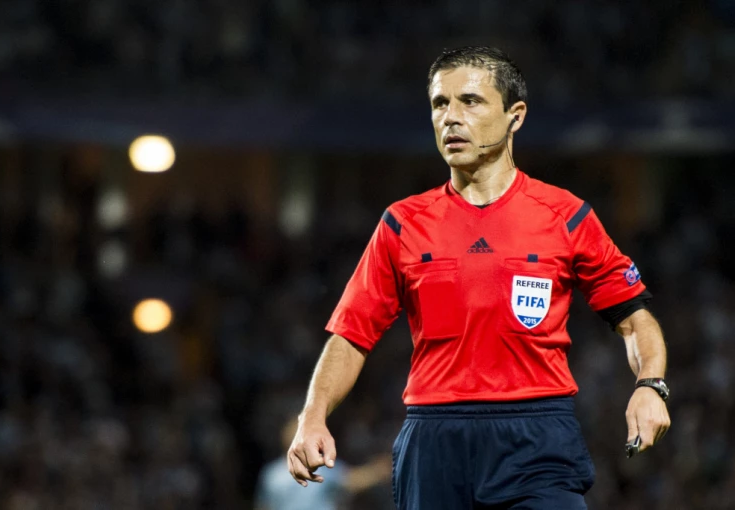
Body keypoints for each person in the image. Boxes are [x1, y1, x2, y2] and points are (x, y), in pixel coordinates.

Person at [287, 46, 671, 509]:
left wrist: (650, 385)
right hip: (434, 437)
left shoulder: (565, 216)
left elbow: (634, 318)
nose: (450, 117)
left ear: (515, 116)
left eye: (470, 101)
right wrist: (313, 415)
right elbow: (351, 335)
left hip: (536, 436)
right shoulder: (402, 223)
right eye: (439, 103)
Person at [256, 416, 391, 510]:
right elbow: (351, 481)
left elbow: (264, 506)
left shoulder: (271, 474)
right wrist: (377, 471)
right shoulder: (318, 467)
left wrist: (376, 471)